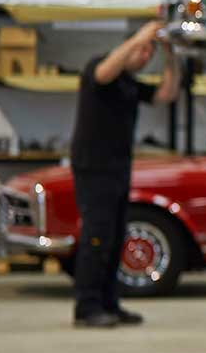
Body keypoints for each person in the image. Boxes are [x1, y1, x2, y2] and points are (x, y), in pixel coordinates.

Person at [69, 20, 180, 328]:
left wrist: (170, 55)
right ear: (128, 45)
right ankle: (86, 306)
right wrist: (142, 35)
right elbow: (105, 71)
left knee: (116, 238)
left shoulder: (130, 83)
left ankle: (109, 303)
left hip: (118, 167)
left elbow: (165, 95)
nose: (145, 56)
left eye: (149, 53)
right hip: (94, 167)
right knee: (97, 237)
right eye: (141, 49)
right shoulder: (100, 69)